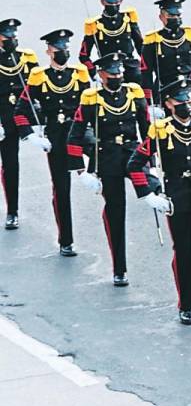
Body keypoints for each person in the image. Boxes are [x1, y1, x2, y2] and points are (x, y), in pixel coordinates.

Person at [127, 77, 191, 325]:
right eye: (180, 100)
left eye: (188, 98)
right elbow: (135, 165)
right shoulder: (160, 130)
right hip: (177, 189)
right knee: (183, 248)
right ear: (169, 104)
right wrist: (150, 194)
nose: (187, 103)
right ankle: (187, 305)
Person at [66, 52, 150, 287]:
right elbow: (76, 134)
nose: (117, 76)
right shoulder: (92, 98)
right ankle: (119, 268)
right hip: (108, 159)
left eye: (120, 72)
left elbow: (146, 128)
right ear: (101, 75)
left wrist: (153, 161)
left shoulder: (133, 93)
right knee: (116, 210)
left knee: (154, 190)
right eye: (112, 73)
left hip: (133, 155)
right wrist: (82, 171)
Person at [14, 29, 90, 253]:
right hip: (56, 135)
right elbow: (21, 110)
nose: (63, 52)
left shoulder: (79, 73)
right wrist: (31, 135)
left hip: (79, 131)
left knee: (102, 170)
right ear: (49, 51)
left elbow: (90, 107)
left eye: (66, 48)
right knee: (61, 187)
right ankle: (66, 240)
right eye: (58, 48)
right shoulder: (40, 76)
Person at [0, 18, 37, 229]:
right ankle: (12, 211)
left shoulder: (26, 57)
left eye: (14, 36)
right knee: (10, 163)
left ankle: (13, 211)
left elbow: (38, 87)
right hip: (3, 118)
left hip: (24, 116)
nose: (12, 40)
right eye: (7, 37)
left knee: (13, 163)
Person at [141, 0, 191, 107]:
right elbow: (146, 73)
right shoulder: (152, 40)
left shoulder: (190, 35)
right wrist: (149, 102)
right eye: (171, 15)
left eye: (178, 15)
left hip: (190, 87)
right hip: (165, 88)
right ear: (161, 17)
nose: (175, 18)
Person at [79, 0, 143, 84]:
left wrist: (146, 67)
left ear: (121, 1)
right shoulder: (95, 25)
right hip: (108, 69)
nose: (113, 5)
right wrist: (93, 72)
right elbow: (83, 55)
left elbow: (140, 45)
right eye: (109, 2)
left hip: (131, 66)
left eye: (117, 2)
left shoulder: (128, 19)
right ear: (102, 1)